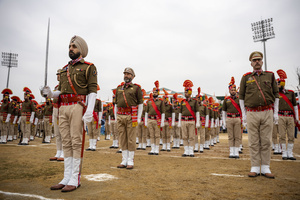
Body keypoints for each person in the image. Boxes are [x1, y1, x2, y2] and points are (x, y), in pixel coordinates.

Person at [42, 35, 98, 192]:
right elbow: (61, 91)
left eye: (73, 46)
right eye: (69, 46)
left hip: (77, 105)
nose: (70, 49)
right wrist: (50, 93)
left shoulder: (89, 67)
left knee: (75, 141)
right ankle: (66, 176)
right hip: (64, 107)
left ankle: (75, 177)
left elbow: (92, 91)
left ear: (81, 49)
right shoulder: (65, 69)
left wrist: (89, 111)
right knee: (65, 141)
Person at [239, 51, 279, 178]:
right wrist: (244, 115)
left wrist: (276, 112)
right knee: (253, 141)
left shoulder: (270, 76)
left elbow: (276, 95)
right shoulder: (246, 77)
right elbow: (241, 97)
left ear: (262, 61)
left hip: (267, 111)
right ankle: (255, 166)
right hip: (252, 112)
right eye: (254, 60)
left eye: (259, 59)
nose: (257, 62)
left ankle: (266, 167)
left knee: (266, 140)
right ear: (251, 63)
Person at [115, 67, 143, 169]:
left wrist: (139, 118)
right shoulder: (119, 88)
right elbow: (116, 104)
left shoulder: (136, 88)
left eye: (128, 74)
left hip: (131, 116)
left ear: (132, 76)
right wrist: (115, 116)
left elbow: (140, 104)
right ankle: (124, 160)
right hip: (120, 115)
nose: (126, 75)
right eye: (125, 74)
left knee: (131, 138)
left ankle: (130, 160)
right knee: (122, 138)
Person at [276, 69, 299, 160]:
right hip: (281, 116)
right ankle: (284, 153)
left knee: (291, 135)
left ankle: (290, 153)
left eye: (278, 84)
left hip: (290, 117)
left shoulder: (291, 93)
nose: (277, 85)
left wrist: (296, 117)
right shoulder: (276, 94)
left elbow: (295, 106)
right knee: (282, 135)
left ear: (282, 84)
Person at [178, 80, 200, 157]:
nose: (185, 93)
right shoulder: (182, 102)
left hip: (191, 120)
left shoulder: (194, 101)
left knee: (191, 136)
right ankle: (186, 150)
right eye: (185, 92)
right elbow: (180, 112)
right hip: (184, 120)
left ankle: (191, 150)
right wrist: (179, 122)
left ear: (190, 93)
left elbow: (197, 112)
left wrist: (197, 122)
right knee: (184, 136)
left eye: (186, 92)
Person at [222, 77, 242, 158]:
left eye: (234, 90)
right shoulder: (226, 100)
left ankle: (236, 152)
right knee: (230, 136)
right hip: (229, 118)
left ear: (236, 91)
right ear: (229, 91)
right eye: (231, 90)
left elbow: (242, 110)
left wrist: (243, 120)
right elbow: (224, 111)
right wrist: (224, 121)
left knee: (237, 136)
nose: (233, 91)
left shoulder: (239, 99)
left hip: (237, 118)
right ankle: (231, 151)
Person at [145, 81, 165, 155]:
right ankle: (152, 149)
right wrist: (146, 121)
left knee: (157, 135)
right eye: (153, 92)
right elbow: (146, 112)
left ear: (158, 94)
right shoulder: (149, 102)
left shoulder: (160, 101)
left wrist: (162, 121)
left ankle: (156, 149)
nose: (154, 94)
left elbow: (163, 112)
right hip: (150, 119)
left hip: (157, 120)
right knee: (151, 135)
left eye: (156, 93)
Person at [50, 70, 64, 161]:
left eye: (59, 74)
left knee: (63, 132)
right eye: (57, 75)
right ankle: (58, 151)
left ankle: (64, 152)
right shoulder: (56, 87)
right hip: (55, 108)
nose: (58, 76)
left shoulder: (65, 86)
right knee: (57, 132)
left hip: (62, 108)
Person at [86, 85, 102, 151]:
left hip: (95, 117)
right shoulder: (87, 100)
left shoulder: (98, 101)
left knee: (94, 131)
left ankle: (94, 145)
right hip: (89, 116)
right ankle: (90, 145)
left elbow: (100, 110)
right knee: (90, 131)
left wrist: (100, 120)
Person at [196, 88, 208, 153]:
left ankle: (201, 147)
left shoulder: (204, 106)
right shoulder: (194, 106)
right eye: (197, 98)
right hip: (196, 121)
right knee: (195, 134)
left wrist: (206, 123)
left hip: (202, 121)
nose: (198, 100)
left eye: (199, 98)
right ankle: (195, 146)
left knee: (202, 134)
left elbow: (207, 114)